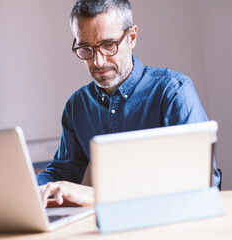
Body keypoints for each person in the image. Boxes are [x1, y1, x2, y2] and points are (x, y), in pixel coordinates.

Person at [37, 0, 220, 207]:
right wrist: (30, 189)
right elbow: (63, 171)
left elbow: (201, 181)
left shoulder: (173, 91)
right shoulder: (77, 105)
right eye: (85, 48)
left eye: (108, 45)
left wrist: (98, 196)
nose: (98, 61)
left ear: (131, 37)